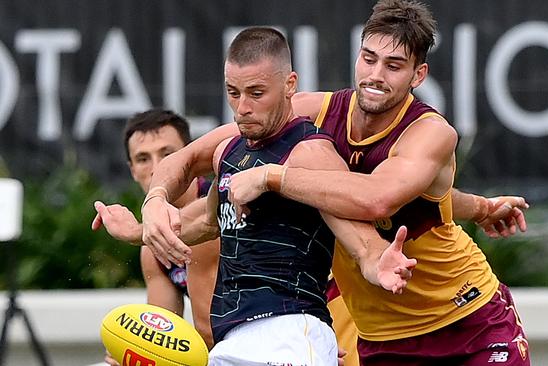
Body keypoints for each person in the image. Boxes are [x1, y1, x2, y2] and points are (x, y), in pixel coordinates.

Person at [140, 4, 530, 366]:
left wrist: (271, 175)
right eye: (369, 58)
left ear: (418, 75)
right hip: (382, 337)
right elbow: (188, 158)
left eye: (394, 65)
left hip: (467, 320)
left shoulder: (430, 132)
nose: (376, 75)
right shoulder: (316, 111)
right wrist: (155, 200)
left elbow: (378, 200)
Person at [139, 27, 416, 366]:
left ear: (289, 85)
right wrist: (140, 223)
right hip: (232, 339)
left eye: (256, 93)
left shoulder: (310, 151)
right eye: (233, 92)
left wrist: (378, 261)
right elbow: (208, 221)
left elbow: (360, 240)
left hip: (289, 332)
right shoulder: (230, 151)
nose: (242, 108)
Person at [90, 109, 219, 364]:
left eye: (168, 154)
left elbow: (213, 339)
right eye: (142, 158)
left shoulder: (216, 206)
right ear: (132, 170)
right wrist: (134, 351)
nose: (157, 167)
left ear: (190, 158)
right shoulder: (150, 248)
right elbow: (161, 333)